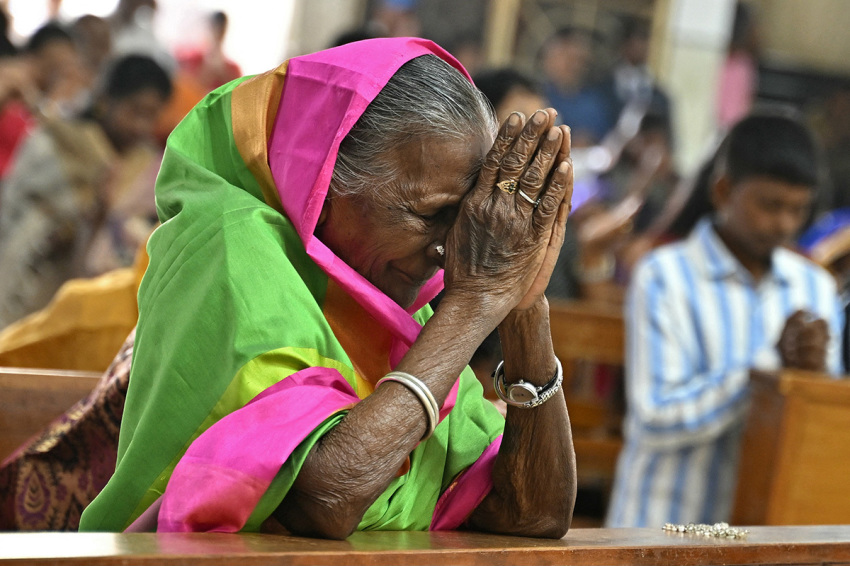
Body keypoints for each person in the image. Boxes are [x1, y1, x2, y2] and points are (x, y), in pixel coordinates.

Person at [79, 37, 577, 538]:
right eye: (431, 215)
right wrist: (475, 304)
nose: (453, 251)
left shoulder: (395, 304)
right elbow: (325, 496)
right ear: (323, 179)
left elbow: (535, 513)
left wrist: (520, 301)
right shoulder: (231, 245)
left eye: (465, 220)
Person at [606, 109, 844, 528]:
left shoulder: (815, 288)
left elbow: (824, 422)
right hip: (664, 531)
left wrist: (814, 380)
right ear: (722, 190)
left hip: (766, 530)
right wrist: (768, 372)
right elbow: (654, 419)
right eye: (770, 205)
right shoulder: (664, 276)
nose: (784, 224)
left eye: (797, 210)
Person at [0, 54, 172, 329]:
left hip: (94, 310)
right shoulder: (54, 145)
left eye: (151, 115)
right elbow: (14, 212)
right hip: (27, 287)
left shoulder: (151, 169)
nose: (141, 125)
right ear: (106, 100)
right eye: (134, 111)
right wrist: (85, 216)